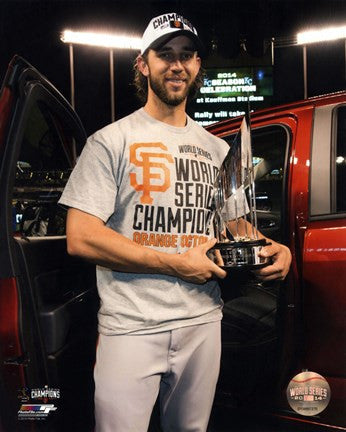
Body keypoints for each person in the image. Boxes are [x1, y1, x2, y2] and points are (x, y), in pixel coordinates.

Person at [59, 11, 291, 432]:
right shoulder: (110, 142)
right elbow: (81, 238)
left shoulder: (217, 149)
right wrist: (175, 263)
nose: (177, 64)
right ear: (143, 64)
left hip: (203, 321)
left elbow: (237, 228)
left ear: (198, 65)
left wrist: (275, 248)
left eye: (187, 55)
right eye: (165, 54)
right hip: (131, 326)